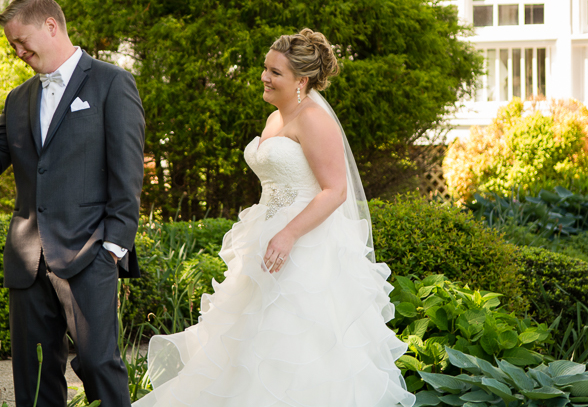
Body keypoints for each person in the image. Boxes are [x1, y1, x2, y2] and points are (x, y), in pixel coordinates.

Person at [133, 29, 415, 407]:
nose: (264, 77)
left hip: (303, 243)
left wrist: (288, 234)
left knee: (290, 340)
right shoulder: (274, 119)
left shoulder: (314, 120)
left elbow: (335, 191)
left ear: (301, 80)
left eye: (275, 72)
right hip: (264, 237)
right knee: (246, 338)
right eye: (265, 68)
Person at [0, 0, 145, 407]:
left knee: (99, 364)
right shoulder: (19, 98)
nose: (19, 51)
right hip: (28, 259)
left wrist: (113, 247)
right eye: (12, 45)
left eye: (23, 40)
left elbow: (127, 173)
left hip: (90, 253)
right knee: (36, 377)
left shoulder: (112, 83)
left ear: (50, 25)